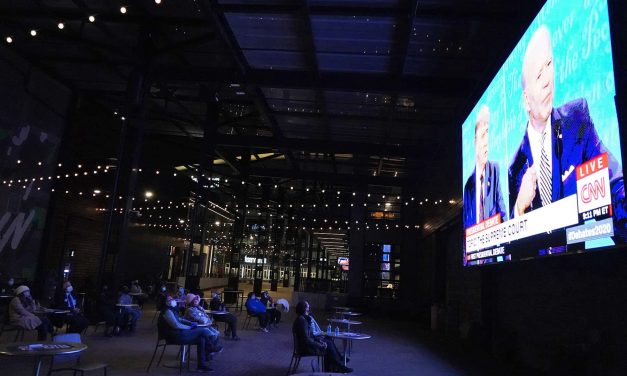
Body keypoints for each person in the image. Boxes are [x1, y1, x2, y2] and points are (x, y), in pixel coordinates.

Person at [508, 25, 625, 222]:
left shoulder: (576, 119)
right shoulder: (516, 166)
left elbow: (614, 184)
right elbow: (513, 246)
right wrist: (520, 207)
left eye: (549, 64)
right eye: (538, 76)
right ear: (526, 100)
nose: (548, 80)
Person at [463, 105, 507, 228]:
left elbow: (502, 212)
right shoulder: (468, 186)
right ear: (475, 142)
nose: (486, 143)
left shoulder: (494, 170)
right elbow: (466, 225)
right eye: (483, 136)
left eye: (488, 135)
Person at [158, 295, 222, 372]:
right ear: (165, 302)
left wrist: (190, 323)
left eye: (172, 299)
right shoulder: (166, 311)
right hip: (173, 336)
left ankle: (201, 366)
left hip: (178, 334)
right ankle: (210, 348)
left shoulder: (171, 310)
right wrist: (190, 327)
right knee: (202, 330)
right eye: (170, 299)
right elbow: (176, 325)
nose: (173, 300)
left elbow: (180, 320)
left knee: (201, 339)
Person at [293, 301, 352, 373]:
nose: (309, 307)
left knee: (328, 341)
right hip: (306, 348)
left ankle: (336, 365)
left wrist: (319, 341)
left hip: (306, 346)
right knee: (328, 344)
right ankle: (338, 365)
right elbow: (307, 340)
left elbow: (310, 336)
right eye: (308, 306)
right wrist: (320, 345)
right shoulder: (302, 321)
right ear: (305, 309)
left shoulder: (303, 318)